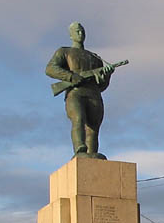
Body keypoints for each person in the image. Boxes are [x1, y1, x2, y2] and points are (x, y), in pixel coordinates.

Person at [45, 22, 114, 159]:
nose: (80, 34)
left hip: (94, 94)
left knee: (93, 128)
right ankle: (79, 149)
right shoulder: (64, 52)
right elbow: (50, 69)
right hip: (75, 93)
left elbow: (102, 86)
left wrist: (107, 75)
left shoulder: (95, 58)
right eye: (77, 31)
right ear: (71, 35)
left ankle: (92, 153)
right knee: (78, 119)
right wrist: (71, 76)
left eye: (82, 31)